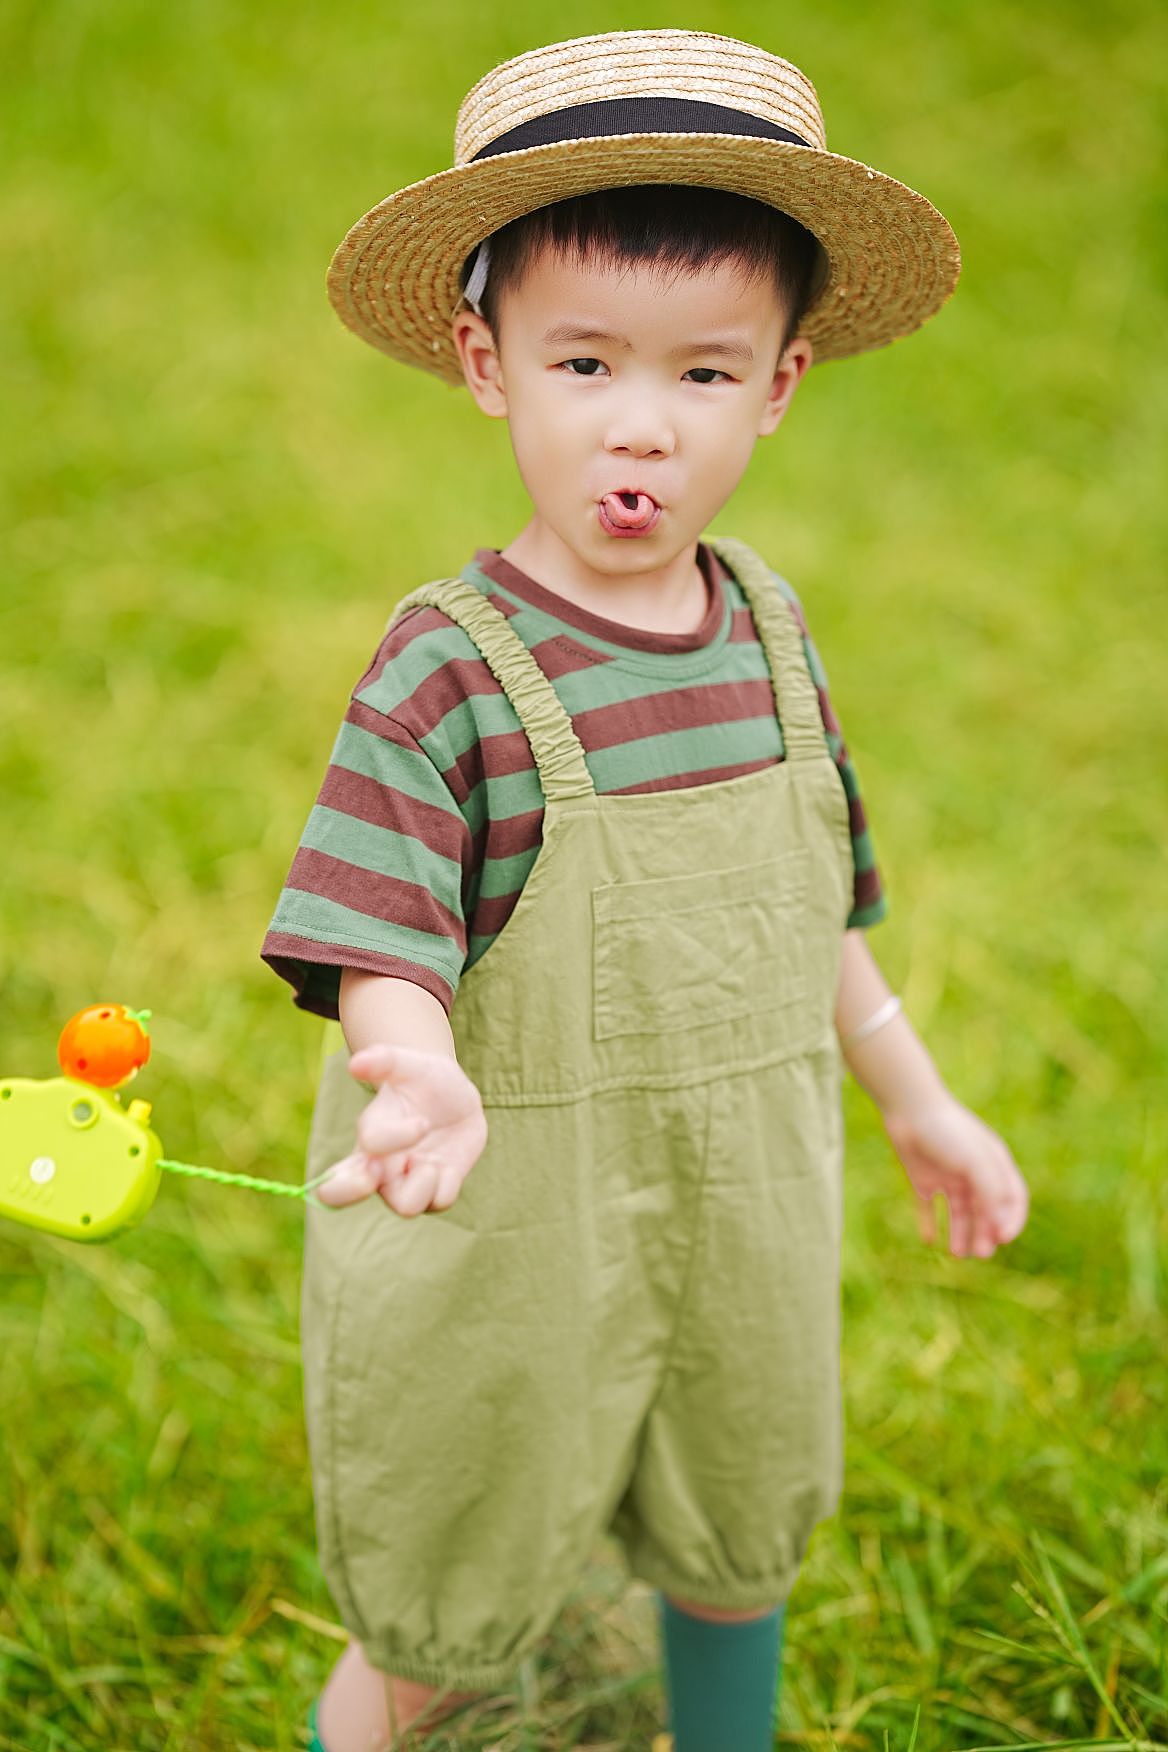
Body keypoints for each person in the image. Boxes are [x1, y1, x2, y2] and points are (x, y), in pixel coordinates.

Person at [260, 29, 1030, 1752]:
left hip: (742, 1200)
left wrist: (921, 1101)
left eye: (701, 375)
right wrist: (418, 1057)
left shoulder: (765, 628)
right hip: (511, 1221)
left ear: (781, 385)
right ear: (487, 362)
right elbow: (383, 931)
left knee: (732, 1533)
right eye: (586, 361)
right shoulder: (446, 671)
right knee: (453, 1595)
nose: (637, 429)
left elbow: (813, 907)